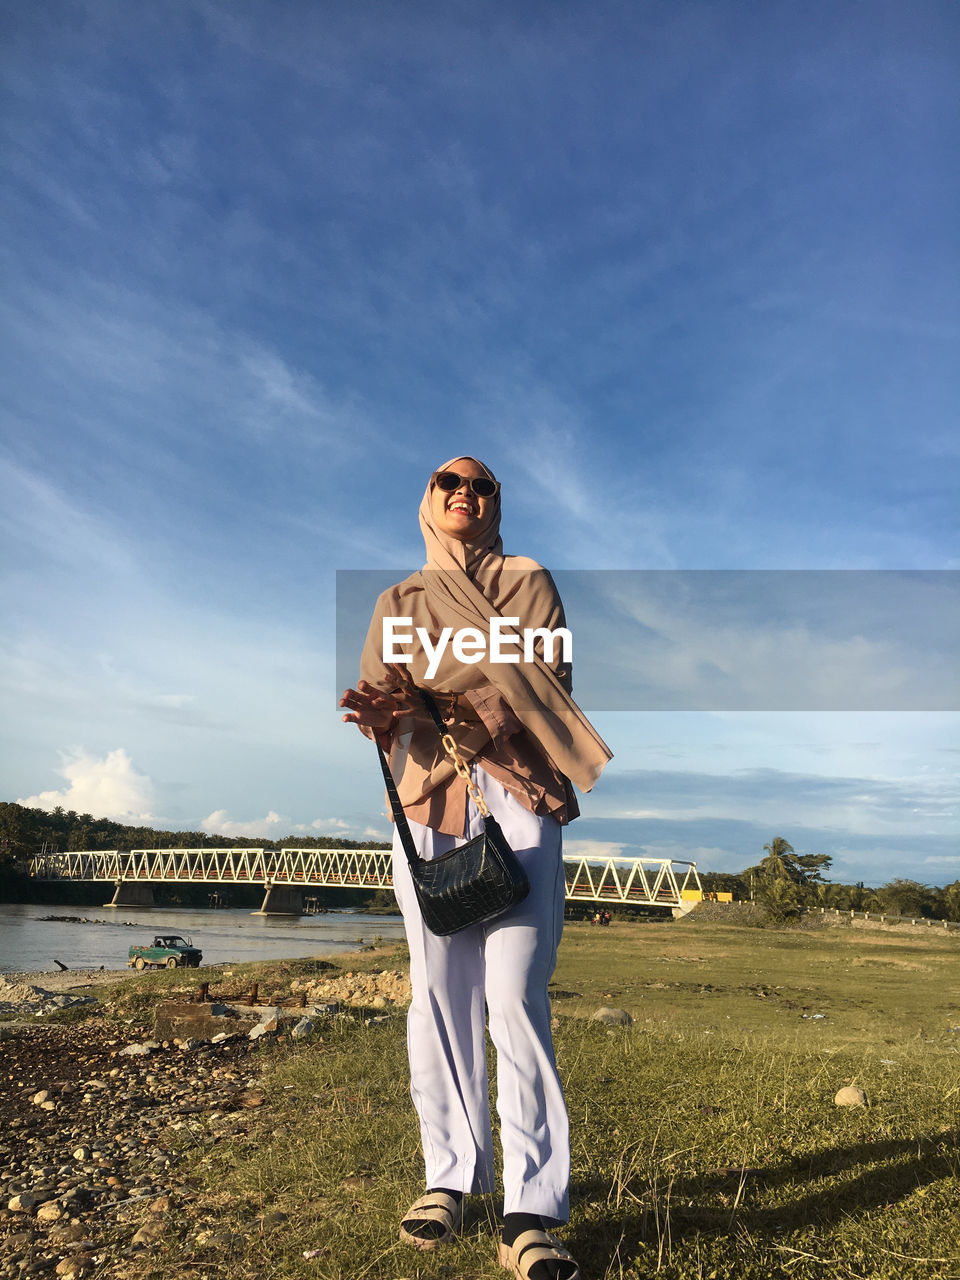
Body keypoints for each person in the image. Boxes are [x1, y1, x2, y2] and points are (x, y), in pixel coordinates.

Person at [340, 456, 612, 1280]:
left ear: (496, 503)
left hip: (518, 799)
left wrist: (432, 697)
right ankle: (449, 1178)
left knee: (513, 995)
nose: (464, 493)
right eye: (447, 482)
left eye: (481, 485)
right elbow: (384, 692)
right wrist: (387, 710)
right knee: (437, 994)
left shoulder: (528, 579)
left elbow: (538, 681)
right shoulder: (397, 601)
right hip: (427, 809)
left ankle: (532, 1210)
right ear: (426, 500)